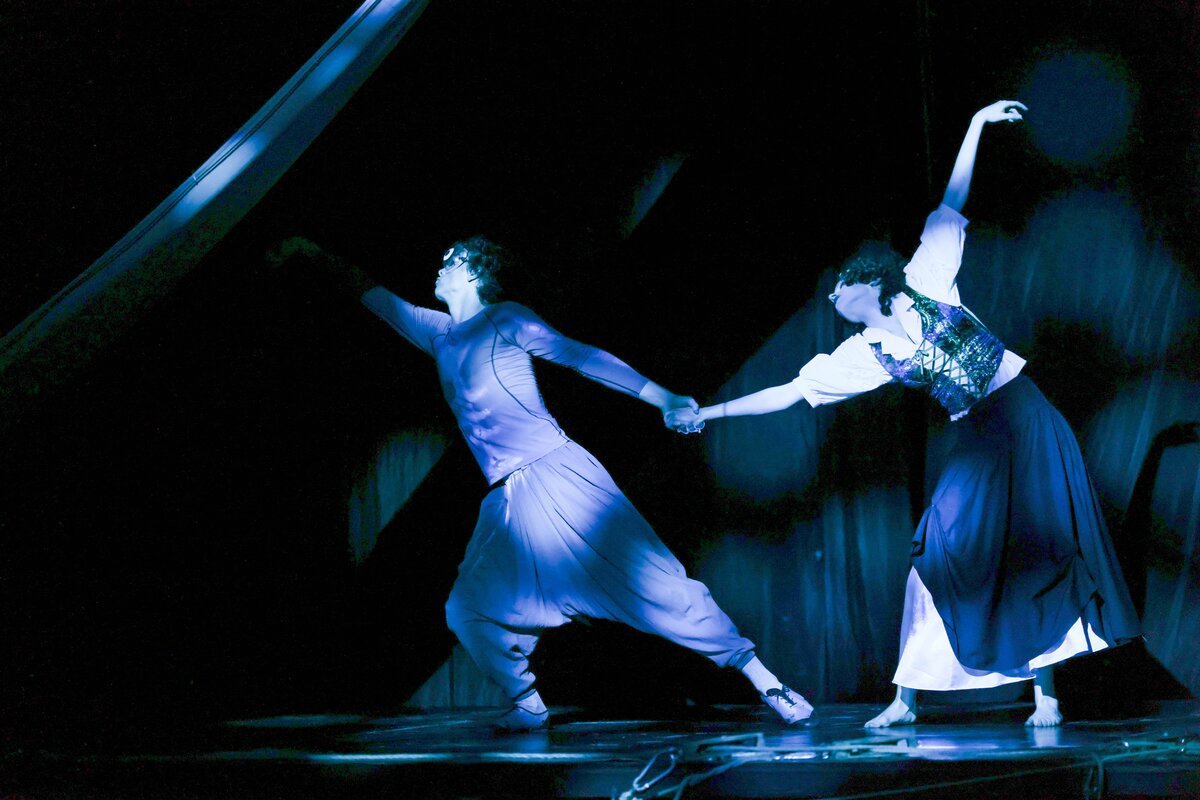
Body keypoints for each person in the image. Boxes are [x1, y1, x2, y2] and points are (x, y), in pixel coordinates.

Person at [667, 100, 1140, 728]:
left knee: (1039, 550)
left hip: (1024, 418)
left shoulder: (927, 279)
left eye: (841, 284)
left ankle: (1046, 696)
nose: (832, 293)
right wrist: (711, 410)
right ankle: (905, 699)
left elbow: (952, 203)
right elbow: (790, 391)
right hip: (979, 438)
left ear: (871, 283)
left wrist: (975, 124)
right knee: (935, 550)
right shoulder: (866, 353)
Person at [292, 235, 811, 730]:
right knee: (468, 609)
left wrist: (665, 398)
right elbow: (374, 296)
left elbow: (582, 357)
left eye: (451, 259)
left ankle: (766, 682)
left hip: (557, 473)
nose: (440, 267)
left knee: (656, 586)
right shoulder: (437, 332)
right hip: (508, 498)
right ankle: (528, 704)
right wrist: (311, 252)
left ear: (474, 271)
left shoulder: (505, 318)